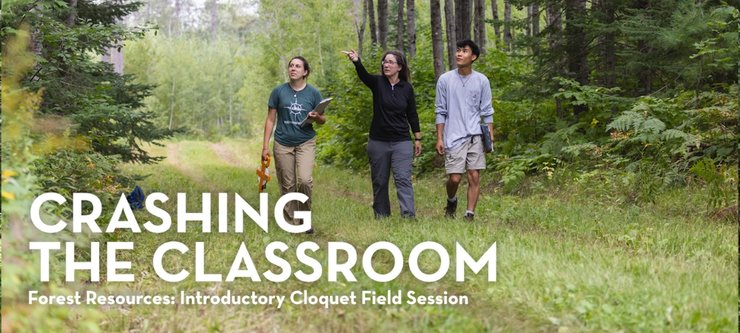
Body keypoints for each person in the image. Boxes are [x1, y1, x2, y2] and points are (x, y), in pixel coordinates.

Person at [342, 49, 421, 219]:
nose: (386, 65)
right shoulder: (377, 83)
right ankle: (382, 216)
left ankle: (408, 216)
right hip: (378, 141)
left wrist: (417, 138)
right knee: (379, 180)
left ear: (399, 67)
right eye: (384, 62)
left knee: (403, 179)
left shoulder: (406, 88)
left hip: (401, 141)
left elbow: (412, 114)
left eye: (390, 62)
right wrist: (356, 61)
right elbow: (363, 75)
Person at [262, 56, 326, 233]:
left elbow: (323, 120)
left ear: (305, 72)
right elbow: (270, 120)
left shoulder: (313, 93)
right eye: (291, 66)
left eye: (298, 66)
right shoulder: (278, 92)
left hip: (305, 141)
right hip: (282, 142)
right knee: (288, 184)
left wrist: (316, 117)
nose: (293, 69)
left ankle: (304, 218)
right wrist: (265, 146)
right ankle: (291, 222)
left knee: (305, 180)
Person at [434, 40, 494, 221]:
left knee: (474, 175)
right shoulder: (445, 80)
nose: (459, 54)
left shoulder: (482, 80)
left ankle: (469, 214)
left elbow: (487, 110)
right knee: (454, 179)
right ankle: (451, 200)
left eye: (464, 51)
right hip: (453, 135)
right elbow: (440, 110)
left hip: (475, 134)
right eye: (458, 50)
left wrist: (490, 137)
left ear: (473, 57)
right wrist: (439, 138)